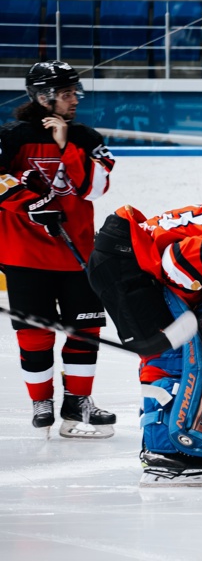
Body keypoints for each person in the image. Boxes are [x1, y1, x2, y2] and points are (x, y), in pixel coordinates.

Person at [86, 200, 202, 486]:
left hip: (131, 256)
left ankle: (163, 443)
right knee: (167, 355)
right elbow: (176, 266)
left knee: (171, 350)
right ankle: (165, 453)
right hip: (127, 262)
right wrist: (182, 319)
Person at [0, 60, 117, 438]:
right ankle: (42, 403)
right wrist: (28, 204)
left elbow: (95, 188)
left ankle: (78, 403)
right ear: (43, 96)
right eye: (66, 94)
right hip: (24, 254)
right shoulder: (12, 136)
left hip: (76, 253)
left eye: (74, 92)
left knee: (85, 330)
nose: (74, 100)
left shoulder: (85, 136)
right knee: (35, 334)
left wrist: (67, 146)